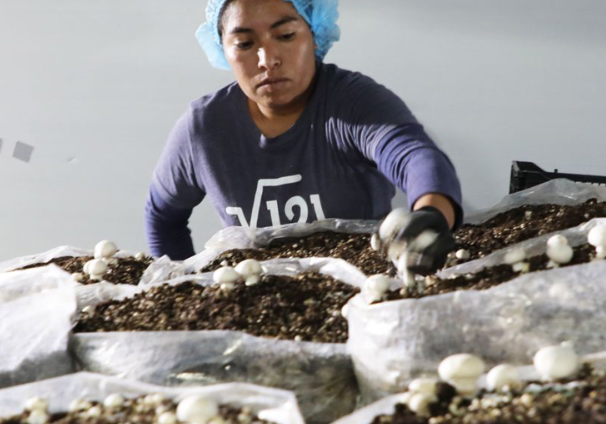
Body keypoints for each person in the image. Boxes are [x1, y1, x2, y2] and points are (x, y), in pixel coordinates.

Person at [143, 0, 462, 273]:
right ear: (222, 49)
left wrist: (430, 216)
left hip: (361, 298)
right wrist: (186, 287)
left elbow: (414, 157)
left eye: (284, 35)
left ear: (313, 35)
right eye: (244, 44)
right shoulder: (205, 128)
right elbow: (162, 216)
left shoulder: (353, 103)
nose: (267, 59)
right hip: (251, 306)